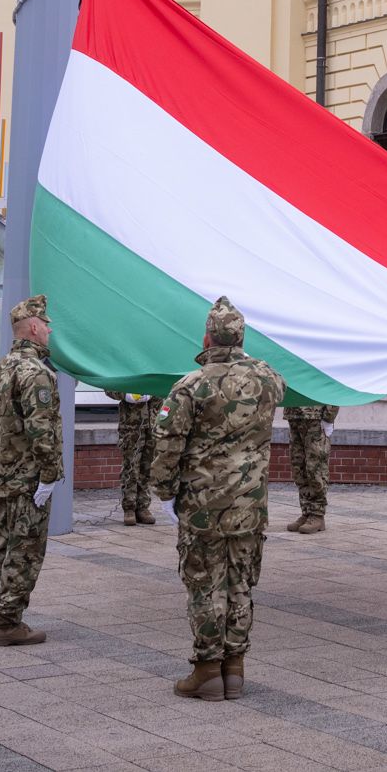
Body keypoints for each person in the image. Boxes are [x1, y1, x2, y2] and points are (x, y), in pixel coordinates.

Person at [150, 296, 285, 700]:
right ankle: (235, 669)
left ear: (207, 336)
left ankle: (208, 670)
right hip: (250, 505)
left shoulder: (191, 386)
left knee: (206, 585)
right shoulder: (268, 378)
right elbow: (274, 386)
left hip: (203, 506)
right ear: (241, 336)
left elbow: (167, 445)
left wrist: (164, 493)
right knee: (241, 583)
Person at [0, 295, 63, 646]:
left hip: (4, 473)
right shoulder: (36, 373)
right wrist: (48, 474)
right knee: (25, 548)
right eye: (45, 324)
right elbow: (41, 430)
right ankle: (7, 622)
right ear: (32, 327)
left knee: (1, 541)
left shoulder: (3, 367)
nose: (49, 330)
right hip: (28, 477)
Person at [284, 403, 338, 533]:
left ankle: (317, 514)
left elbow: (333, 385)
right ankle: (307, 512)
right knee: (299, 466)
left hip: (315, 416)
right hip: (295, 415)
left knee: (315, 467)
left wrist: (329, 417)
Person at [107, 390, 158, 525]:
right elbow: (109, 386)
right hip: (131, 425)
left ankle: (143, 507)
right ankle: (129, 507)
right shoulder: (125, 368)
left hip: (154, 424)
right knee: (131, 467)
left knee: (148, 468)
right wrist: (125, 395)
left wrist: (156, 390)